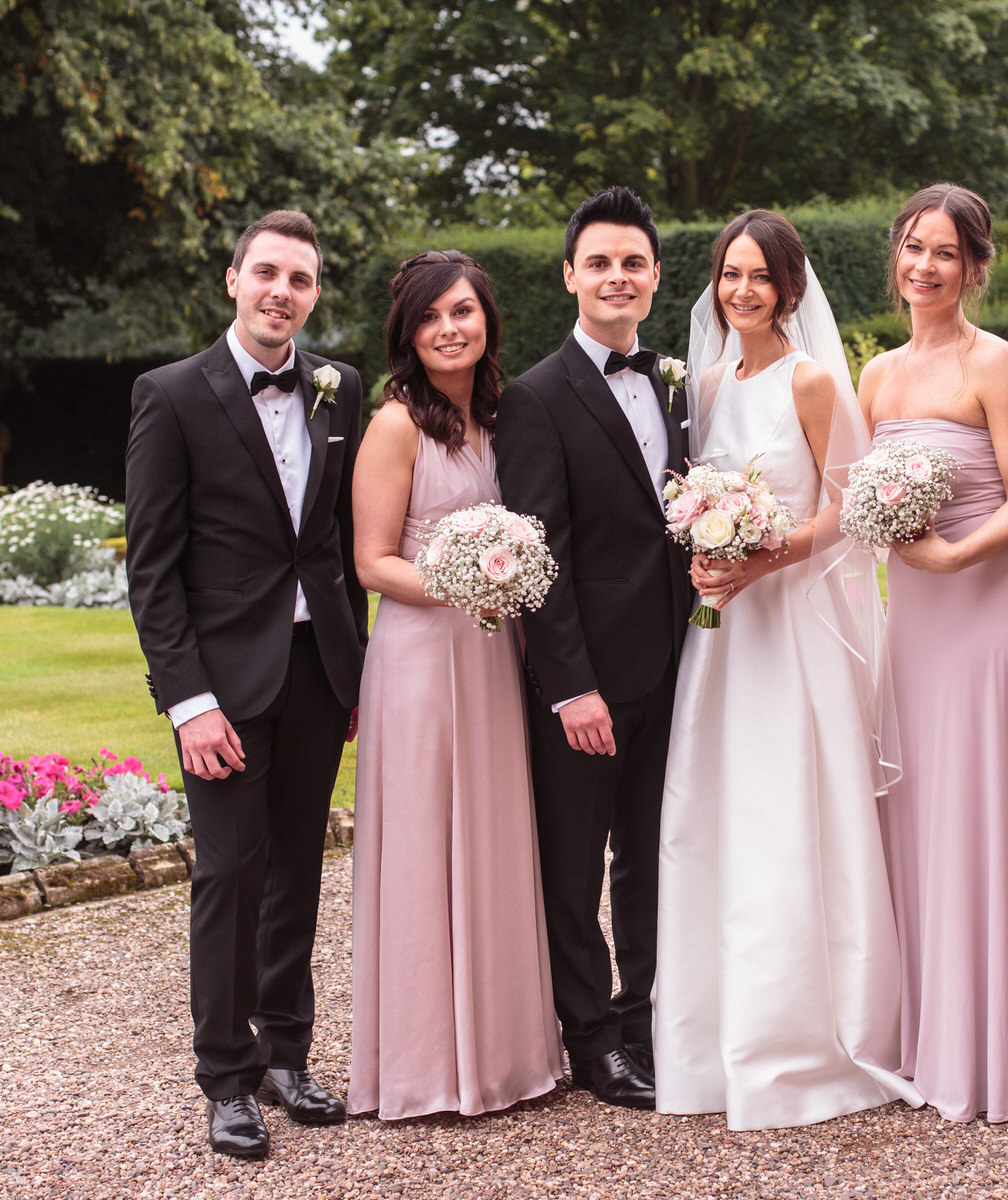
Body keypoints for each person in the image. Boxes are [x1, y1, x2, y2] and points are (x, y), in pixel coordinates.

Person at [654, 209, 923, 1131]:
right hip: (721, 631)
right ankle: (707, 1041)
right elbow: (690, 494)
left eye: (758, 276)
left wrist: (764, 555)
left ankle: (804, 1040)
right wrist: (704, 547)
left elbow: (851, 516)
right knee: (713, 814)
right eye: (728, 274)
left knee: (787, 809)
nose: (740, 291)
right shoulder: (708, 381)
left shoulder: (812, 383)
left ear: (789, 289)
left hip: (790, 630)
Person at [124, 209, 366, 1159]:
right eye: (267, 273)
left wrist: (352, 669)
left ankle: (285, 1053)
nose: (283, 292)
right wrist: (189, 703)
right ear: (233, 279)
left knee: (299, 868)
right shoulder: (171, 394)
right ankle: (224, 1076)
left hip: (317, 676)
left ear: (312, 294)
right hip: (221, 688)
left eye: (300, 280)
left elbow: (337, 544)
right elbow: (152, 568)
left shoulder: (336, 391)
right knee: (229, 872)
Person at [859, 184, 1008, 1126]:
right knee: (915, 821)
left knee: (981, 817)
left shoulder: (997, 365)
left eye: (944, 252)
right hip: (909, 625)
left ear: (976, 267)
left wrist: (951, 552)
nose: (925, 266)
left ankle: (997, 1052)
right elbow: (856, 498)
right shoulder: (874, 375)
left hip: (986, 613)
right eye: (913, 248)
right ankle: (925, 1040)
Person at [345, 250, 563, 1119]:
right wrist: (473, 583)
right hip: (421, 659)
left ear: (487, 321)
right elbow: (372, 562)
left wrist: (501, 593)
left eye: (464, 312)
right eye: (432, 318)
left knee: (492, 835)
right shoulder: (396, 424)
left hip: (490, 655)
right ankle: (428, 1065)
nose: (450, 329)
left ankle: (504, 1053)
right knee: (428, 842)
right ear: (410, 333)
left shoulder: (502, 420)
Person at [493, 187, 693, 1110]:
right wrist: (570, 686)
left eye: (635, 263)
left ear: (655, 279)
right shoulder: (533, 398)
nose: (619, 277)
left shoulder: (673, 381)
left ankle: (649, 1017)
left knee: (652, 852)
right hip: (586, 682)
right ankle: (592, 1039)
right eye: (601, 262)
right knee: (573, 864)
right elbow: (543, 554)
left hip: (677, 665)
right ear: (570, 274)